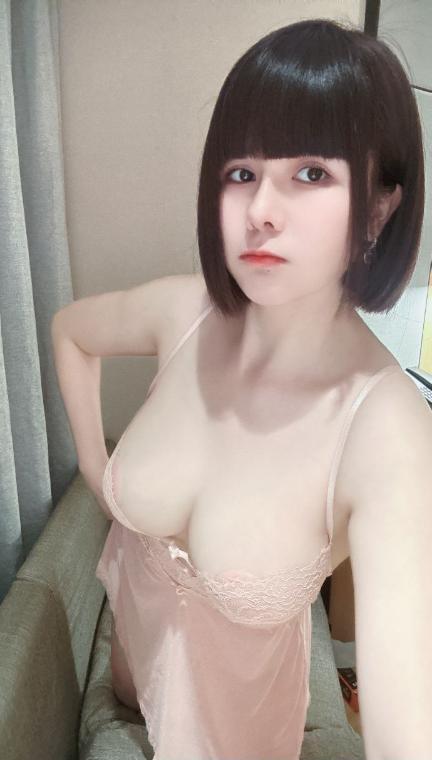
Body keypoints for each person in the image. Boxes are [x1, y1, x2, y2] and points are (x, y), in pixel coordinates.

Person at [51, 16, 432, 760]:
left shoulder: (389, 431)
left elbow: (406, 726)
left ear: (380, 205)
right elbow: (70, 330)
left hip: (240, 733)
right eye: (242, 172)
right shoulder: (182, 312)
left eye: (311, 174)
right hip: (131, 673)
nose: (260, 211)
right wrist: (98, 475)